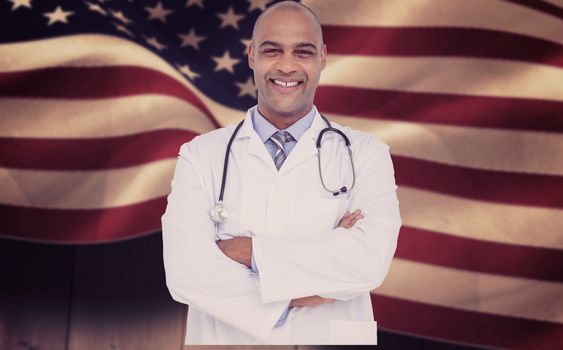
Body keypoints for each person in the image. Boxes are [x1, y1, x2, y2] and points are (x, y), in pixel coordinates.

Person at [162, 1, 401, 345]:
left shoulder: (366, 154)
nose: (287, 66)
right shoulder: (200, 155)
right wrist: (314, 282)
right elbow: (186, 272)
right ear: (251, 56)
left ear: (322, 58)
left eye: (302, 52)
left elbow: (368, 262)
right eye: (273, 50)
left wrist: (246, 252)